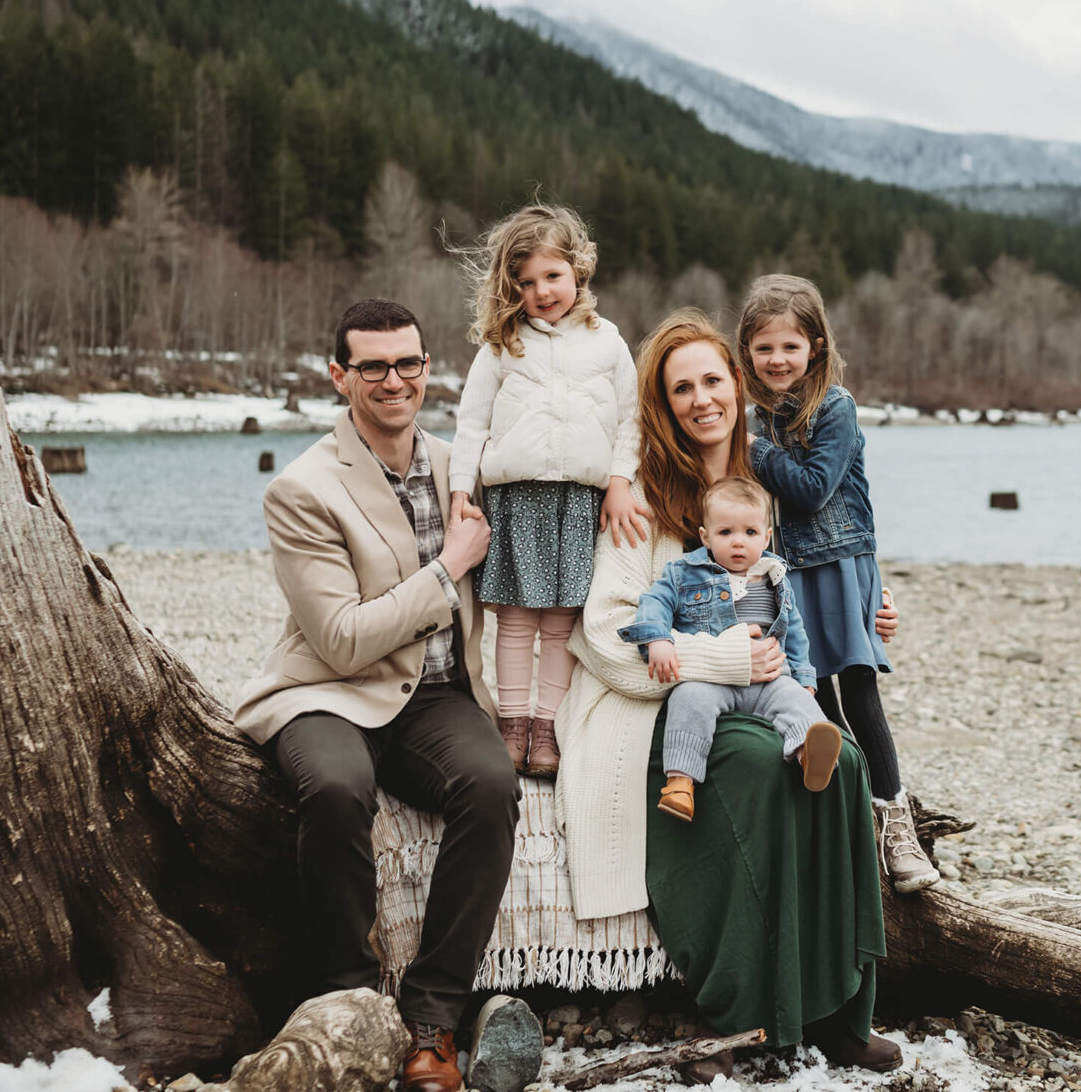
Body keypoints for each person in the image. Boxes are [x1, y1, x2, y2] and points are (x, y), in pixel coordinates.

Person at [555, 310, 902, 1082]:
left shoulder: (769, 480)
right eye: (683, 387)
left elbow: (828, 564)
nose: (701, 398)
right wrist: (722, 657)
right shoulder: (643, 490)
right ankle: (759, 1005)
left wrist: (876, 599)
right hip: (663, 705)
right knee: (757, 764)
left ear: (737, 384)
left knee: (841, 758)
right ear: (662, 400)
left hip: (763, 688)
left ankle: (845, 1010)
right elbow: (606, 632)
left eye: (713, 379)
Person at [231, 298, 517, 1092]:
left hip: (432, 696)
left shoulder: (460, 465)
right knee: (334, 786)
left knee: (492, 785)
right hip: (326, 691)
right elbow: (343, 640)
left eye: (409, 364)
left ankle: (433, 1020)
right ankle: (347, 998)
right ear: (339, 375)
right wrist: (447, 566)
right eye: (374, 367)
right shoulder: (302, 488)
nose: (395, 380)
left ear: (428, 368)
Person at [737, 274, 940, 893]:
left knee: (858, 694)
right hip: (784, 574)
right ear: (746, 351)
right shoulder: (750, 416)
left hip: (840, 565)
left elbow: (812, 488)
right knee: (811, 701)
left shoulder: (836, 407)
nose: (778, 360)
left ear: (816, 347)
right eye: (765, 348)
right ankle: (852, 817)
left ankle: (897, 824)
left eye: (790, 347)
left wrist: (756, 451)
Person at [450, 203, 645, 779]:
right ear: (511, 287)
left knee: (562, 619)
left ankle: (547, 729)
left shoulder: (608, 342)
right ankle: (512, 726)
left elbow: (630, 421)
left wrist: (619, 482)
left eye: (552, 276)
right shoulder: (500, 344)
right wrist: (463, 489)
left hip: (579, 500)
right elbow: (471, 423)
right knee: (514, 618)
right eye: (526, 282)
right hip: (516, 497)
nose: (542, 291)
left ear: (578, 271)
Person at [619, 475, 841, 821]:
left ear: (767, 536)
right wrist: (658, 638)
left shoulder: (775, 578)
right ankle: (680, 782)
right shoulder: (685, 573)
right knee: (688, 700)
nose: (738, 543)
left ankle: (808, 755)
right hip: (712, 680)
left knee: (797, 702)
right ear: (705, 537)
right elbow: (655, 602)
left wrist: (803, 676)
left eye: (750, 533)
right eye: (726, 533)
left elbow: (795, 632)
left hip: (769, 679)